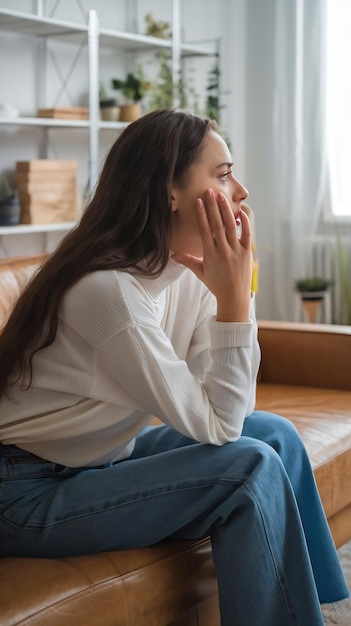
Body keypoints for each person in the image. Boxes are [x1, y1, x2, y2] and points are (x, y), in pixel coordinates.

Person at [0, 109, 349, 625]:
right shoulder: (107, 293)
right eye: (224, 174)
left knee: (274, 436)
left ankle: (317, 609)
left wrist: (235, 293)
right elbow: (220, 425)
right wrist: (235, 303)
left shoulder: (182, 272)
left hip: (100, 459)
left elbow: (232, 406)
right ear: (169, 191)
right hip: (25, 493)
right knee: (247, 467)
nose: (242, 191)